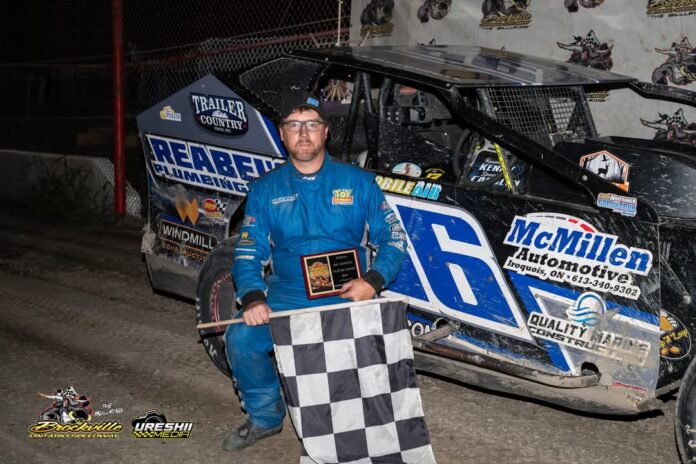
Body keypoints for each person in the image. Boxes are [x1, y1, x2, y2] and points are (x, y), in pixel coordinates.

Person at [223, 91, 407, 450]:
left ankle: (370, 423)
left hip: (349, 292)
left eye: (312, 125)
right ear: (282, 134)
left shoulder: (359, 182)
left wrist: (372, 281)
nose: (303, 133)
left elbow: (394, 239)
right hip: (289, 293)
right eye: (294, 125)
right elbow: (247, 252)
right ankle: (264, 417)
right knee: (241, 338)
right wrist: (254, 297)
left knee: (368, 367)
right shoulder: (264, 190)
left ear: (326, 133)